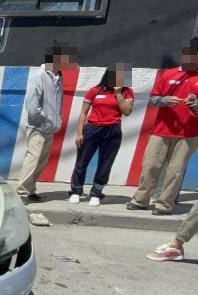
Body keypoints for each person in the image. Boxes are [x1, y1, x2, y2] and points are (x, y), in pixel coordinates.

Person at [127, 38, 198, 215]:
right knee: (150, 165)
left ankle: (164, 205)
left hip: (188, 134)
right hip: (161, 130)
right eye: (186, 55)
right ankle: (140, 200)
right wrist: (165, 101)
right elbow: (152, 99)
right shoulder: (169, 74)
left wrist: (196, 105)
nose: (188, 58)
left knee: (175, 171)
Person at [17, 41, 75, 202]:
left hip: (50, 127)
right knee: (33, 159)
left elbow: (59, 102)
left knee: (41, 162)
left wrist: (57, 120)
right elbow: (31, 104)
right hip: (38, 127)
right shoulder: (39, 75)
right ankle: (21, 193)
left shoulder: (58, 77)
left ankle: (30, 189)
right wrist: (44, 120)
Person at [68, 64, 134, 206]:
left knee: (105, 164)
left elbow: (127, 111)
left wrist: (118, 94)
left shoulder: (127, 92)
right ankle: (76, 191)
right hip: (92, 129)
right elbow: (83, 113)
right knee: (82, 161)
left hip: (113, 130)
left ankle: (96, 193)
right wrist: (79, 133)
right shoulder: (95, 91)